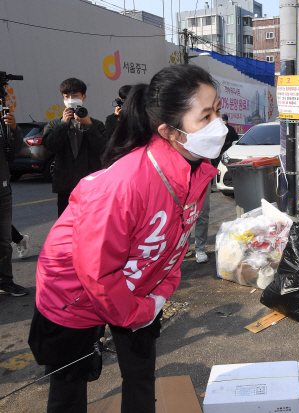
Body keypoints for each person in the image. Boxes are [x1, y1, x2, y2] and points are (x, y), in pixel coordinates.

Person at [28, 64, 226, 413]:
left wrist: (156, 298)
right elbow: (96, 271)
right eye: (206, 115)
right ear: (170, 132)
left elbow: (174, 248)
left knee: (140, 373)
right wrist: (137, 312)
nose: (219, 124)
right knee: (69, 385)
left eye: (218, 111)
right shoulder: (124, 185)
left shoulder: (195, 173)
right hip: (73, 293)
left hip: (138, 288)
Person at [42, 78, 107, 217]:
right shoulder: (55, 123)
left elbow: (103, 148)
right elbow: (50, 146)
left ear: (83, 97)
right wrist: (63, 124)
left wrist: (88, 125)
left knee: (91, 222)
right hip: (66, 185)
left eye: (75, 96)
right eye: (67, 96)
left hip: (91, 185)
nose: (70, 99)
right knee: (66, 224)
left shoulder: (96, 124)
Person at [184, 113, 238, 263]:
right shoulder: (180, 132)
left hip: (201, 178)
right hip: (183, 179)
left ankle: (200, 249)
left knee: (202, 214)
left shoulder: (207, 133)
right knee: (184, 215)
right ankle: (184, 248)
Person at [0, 111, 28, 296]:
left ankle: (5, 281)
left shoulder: (3, 124)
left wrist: (14, 128)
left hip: (2, 192)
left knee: (3, 241)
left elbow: (18, 149)